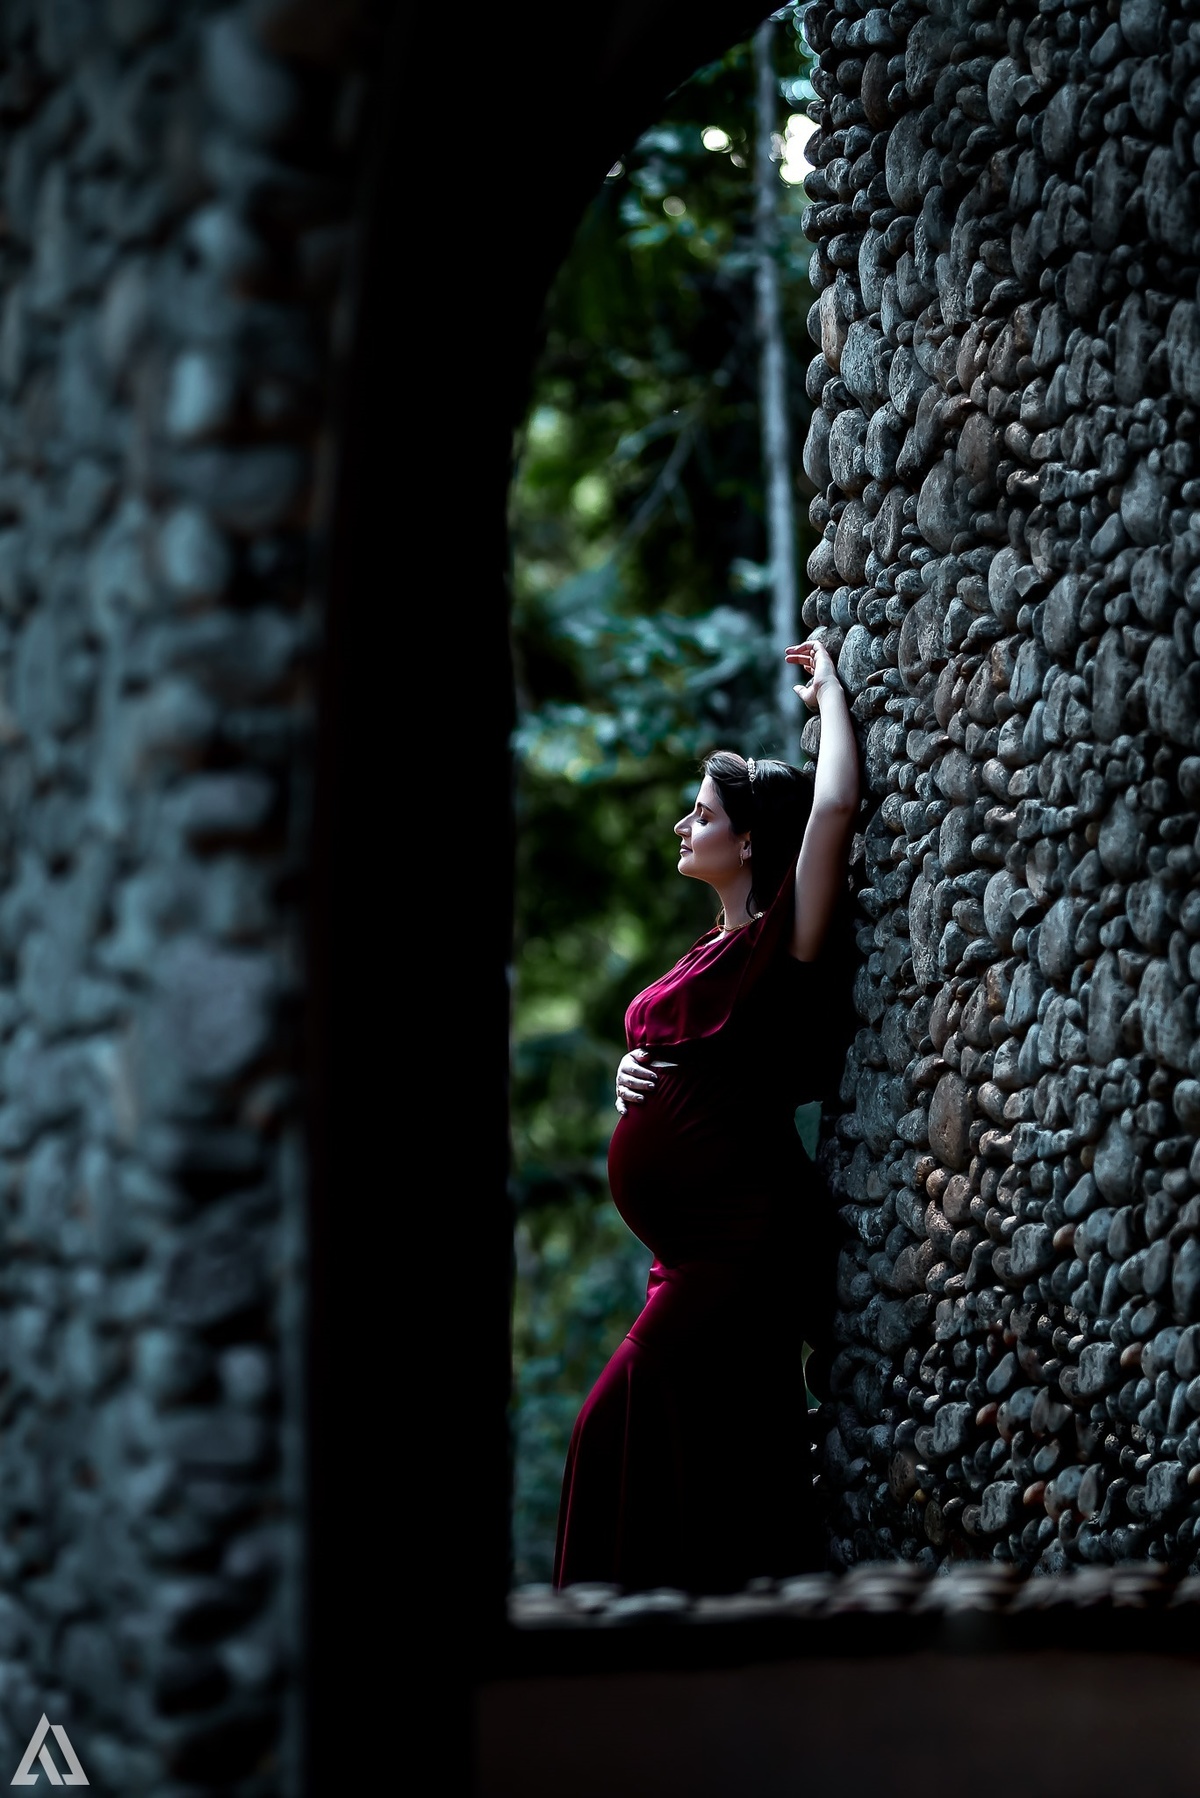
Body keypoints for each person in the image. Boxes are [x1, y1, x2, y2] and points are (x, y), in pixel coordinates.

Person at [552, 638, 860, 1595]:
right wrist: (629, 1068)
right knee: (710, 1440)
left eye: (704, 813)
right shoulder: (706, 950)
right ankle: (677, 1622)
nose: (685, 825)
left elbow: (836, 806)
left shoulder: (779, 939)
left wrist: (831, 692)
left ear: (750, 841)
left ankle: (604, 1627)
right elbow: (678, 1044)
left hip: (736, 1245)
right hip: (686, 1252)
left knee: (617, 1417)